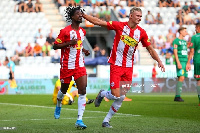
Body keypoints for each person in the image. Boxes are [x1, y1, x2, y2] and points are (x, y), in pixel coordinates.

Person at [82, 6, 165, 128]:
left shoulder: (141, 32)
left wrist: (159, 61)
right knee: (116, 94)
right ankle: (103, 93)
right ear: (131, 15)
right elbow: (99, 22)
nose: (139, 18)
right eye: (137, 16)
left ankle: (106, 121)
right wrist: (84, 15)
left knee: (121, 97)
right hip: (116, 65)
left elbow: (150, 49)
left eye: (141, 16)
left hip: (128, 68)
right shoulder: (119, 26)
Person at [52, 6, 90, 129]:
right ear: (72, 17)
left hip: (79, 65)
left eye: (81, 14)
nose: (81, 16)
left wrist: (84, 50)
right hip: (67, 65)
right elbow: (55, 46)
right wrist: (69, 43)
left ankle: (79, 119)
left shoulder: (82, 32)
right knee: (63, 90)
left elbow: (79, 44)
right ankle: (58, 104)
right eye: (78, 14)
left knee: (83, 90)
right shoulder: (65, 31)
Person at [173, 27, 188, 102]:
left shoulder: (185, 42)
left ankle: (178, 95)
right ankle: (177, 96)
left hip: (185, 61)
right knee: (181, 77)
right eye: (185, 31)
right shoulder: (176, 41)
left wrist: (188, 63)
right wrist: (178, 62)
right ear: (181, 32)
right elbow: (175, 52)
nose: (186, 32)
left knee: (182, 78)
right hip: (181, 61)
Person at [186, 22, 200, 106]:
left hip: (198, 61)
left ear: (198, 28)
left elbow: (191, 51)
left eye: (196, 28)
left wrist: (188, 62)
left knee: (199, 81)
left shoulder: (194, 37)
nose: (195, 29)